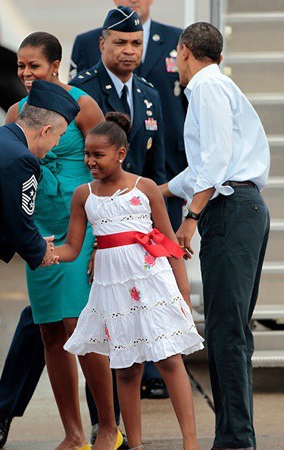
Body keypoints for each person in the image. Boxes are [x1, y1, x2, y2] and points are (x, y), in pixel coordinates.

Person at [0, 31, 112, 449]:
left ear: (55, 66)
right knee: (49, 333)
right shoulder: (15, 112)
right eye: (21, 66)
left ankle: (109, 429)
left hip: (81, 224)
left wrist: (107, 236)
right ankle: (74, 435)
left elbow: (107, 164)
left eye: (34, 66)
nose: (25, 73)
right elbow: (7, 176)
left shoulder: (82, 104)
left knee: (81, 325)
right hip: (38, 231)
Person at [55, 111, 204, 450]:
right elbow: (73, 246)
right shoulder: (83, 195)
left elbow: (168, 243)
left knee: (168, 359)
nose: (90, 161)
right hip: (113, 288)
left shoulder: (145, 187)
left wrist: (181, 292)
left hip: (152, 281)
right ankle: (134, 444)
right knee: (125, 367)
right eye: (87, 155)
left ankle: (191, 442)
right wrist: (46, 253)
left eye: (98, 155)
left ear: (120, 154)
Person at [0, 80, 84, 450]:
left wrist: (2, 244)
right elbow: (20, 221)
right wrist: (38, 250)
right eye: (59, 136)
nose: (58, 144)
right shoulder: (22, 159)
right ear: (46, 129)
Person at [162, 22, 270, 450]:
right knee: (233, 330)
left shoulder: (205, 88)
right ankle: (234, 437)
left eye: (176, 57)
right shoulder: (219, 86)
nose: (176, 65)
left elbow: (217, 162)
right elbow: (205, 167)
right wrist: (160, 190)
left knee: (227, 332)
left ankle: (235, 441)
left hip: (229, 211)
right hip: (244, 210)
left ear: (186, 51)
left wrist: (190, 218)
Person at [69, 0, 188, 231]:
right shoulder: (82, 90)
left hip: (140, 213)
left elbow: (156, 165)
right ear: (103, 44)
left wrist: (162, 226)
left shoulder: (149, 94)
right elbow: (76, 161)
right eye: (120, 42)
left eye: (136, 43)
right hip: (100, 215)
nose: (129, 50)